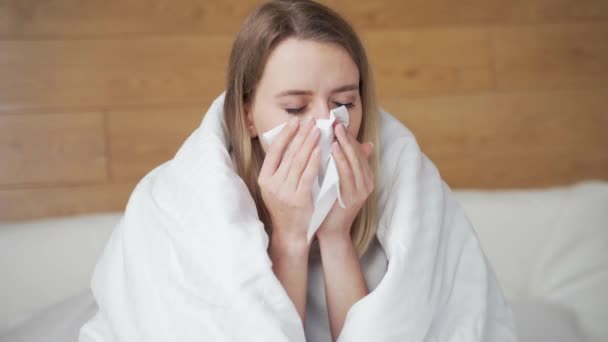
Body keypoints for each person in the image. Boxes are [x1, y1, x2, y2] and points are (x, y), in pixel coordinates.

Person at [80, 1, 518, 341]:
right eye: (295, 107)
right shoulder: (172, 203)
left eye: (344, 102)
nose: (326, 124)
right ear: (248, 114)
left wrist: (334, 235)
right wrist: (289, 238)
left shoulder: (408, 185)